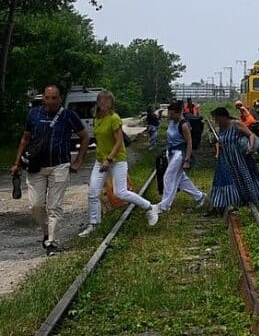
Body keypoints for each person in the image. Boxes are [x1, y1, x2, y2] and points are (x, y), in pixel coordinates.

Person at [9, 84, 89, 253]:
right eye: (48, 97)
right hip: (36, 167)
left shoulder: (68, 115)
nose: (51, 101)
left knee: (54, 206)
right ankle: (46, 233)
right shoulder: (33, 114)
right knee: (36, 206)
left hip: (59, 165)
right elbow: (25, 138)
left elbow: (84, 136)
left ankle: (51, 241)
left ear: (60, 98)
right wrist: (17, 163)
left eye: (55, 97)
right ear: (43, 98)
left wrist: (78, 160)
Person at [80, 90, 159, 236]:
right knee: (93, 192)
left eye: (107, 100)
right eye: (101, 100)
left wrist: (109, 159)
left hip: (116, 160)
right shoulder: (96, 119)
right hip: (100, 160)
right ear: (97, 102)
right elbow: (100, 140)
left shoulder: (114, 118)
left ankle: (149, 207)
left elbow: (119, 142)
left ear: (111, 103)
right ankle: (94, 224)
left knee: (120, 192)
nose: (104, 103)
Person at [208, 106, 259, 212]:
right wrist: (218, 153)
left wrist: (251, 148)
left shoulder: (236, 124)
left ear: (223, 117)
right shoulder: (220, 129)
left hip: (241, 159)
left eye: (217, 119)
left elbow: (251, 135)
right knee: (228, 180)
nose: (216, 121)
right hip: (227, 160)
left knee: (249, 178)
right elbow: (219, 143)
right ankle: (230, 203)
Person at [156, 101, 206, 213]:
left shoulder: (184, 125)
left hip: (180, 154)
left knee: (168, 177)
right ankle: (200, 196)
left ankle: (164, 206)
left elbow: (189, 143)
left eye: (172, 114)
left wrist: (187, 160)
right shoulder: (171, 122)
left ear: (179, 113)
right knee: (181, 179)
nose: (170, 116)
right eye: (169, 113)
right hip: (171, 152)